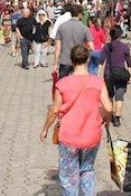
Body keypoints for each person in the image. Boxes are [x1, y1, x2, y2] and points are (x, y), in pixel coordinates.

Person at [40, 45, 112, 196]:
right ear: (87, 60)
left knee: (68, 176)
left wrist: (45, 128)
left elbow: (54, 110)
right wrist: (106, 119)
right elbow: (108, 107)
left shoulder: (63, 84)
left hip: (69, 137)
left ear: (72, 61)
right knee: (87, 170)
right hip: (92, 135)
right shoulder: (98, 82)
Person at [100, 26, 131, 127]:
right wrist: (129, 77)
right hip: (121, 75)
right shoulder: (125, 47)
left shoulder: (106, 46)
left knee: (110, 96)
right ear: (121, 35)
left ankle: (111, 115)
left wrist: (99, 75)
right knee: (119, 96)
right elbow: (129, 64)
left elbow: (101, 62)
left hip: (108, 74)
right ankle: (117, 118)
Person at [54, 5, 94, 79]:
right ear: (79, 14)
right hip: (79, 62)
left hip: (64, 61)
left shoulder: (61, 27)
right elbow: (91, 47)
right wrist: (87, 60)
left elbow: (57, 48)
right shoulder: (84, 28)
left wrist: (56, 63)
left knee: (63, 86)